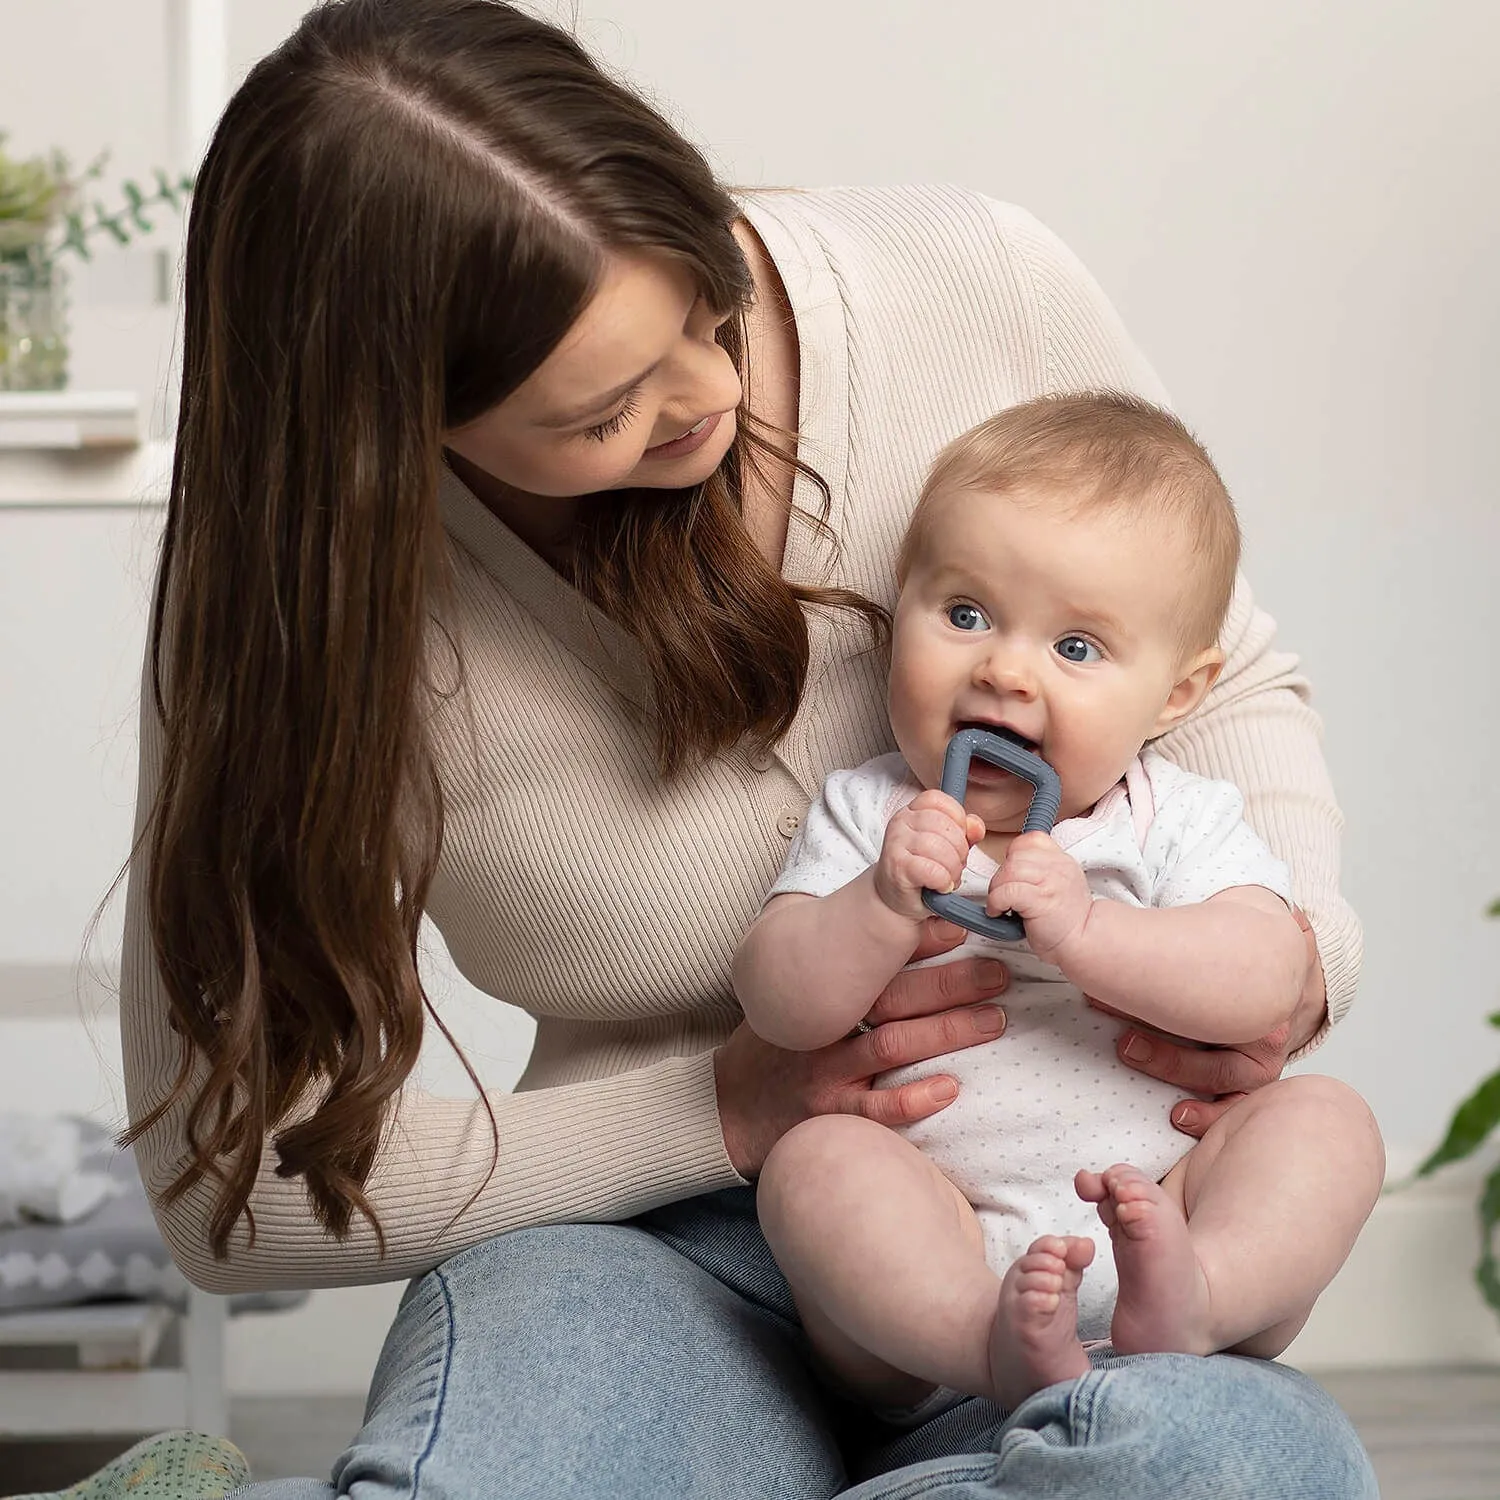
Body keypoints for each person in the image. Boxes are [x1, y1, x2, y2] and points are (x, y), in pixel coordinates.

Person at [39, 0, 1376, 1495]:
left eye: (706, 301)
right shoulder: (306, 618)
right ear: (397, 428)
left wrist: (1287, 961)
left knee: (1204, 1469)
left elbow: (1226, 675)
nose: (712, 396)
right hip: (644, 1256)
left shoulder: (974, 284)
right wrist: (728, 1108)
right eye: (606, 408)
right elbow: (239, 1191)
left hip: (1083, 1235)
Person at [735, 391, 1384, 1419]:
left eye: (1075, 648)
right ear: (895, 608)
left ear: (1177, 696)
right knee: (813, 1167)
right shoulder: (876, 816)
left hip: (1171, 1198)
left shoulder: (1173, 819)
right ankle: (982, 1341)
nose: (1003, 667)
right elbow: (778, 1002)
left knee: (1328, 1123)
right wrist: (877, 904)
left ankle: (1202, 1297)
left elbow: (1265, 979)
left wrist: (1094, 931)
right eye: (963, 615)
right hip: (936, 1231)